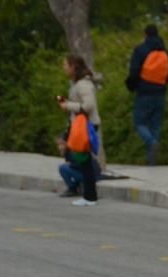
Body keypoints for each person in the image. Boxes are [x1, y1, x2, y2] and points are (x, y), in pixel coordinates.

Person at [125, 24, 168, 165]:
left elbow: (134, 72)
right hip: (160, 93)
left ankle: (151, 142)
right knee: (156, 125)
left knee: (140, 123)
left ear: (145, 34)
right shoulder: (166, 52)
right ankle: (151, 161)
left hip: (144, 93)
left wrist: (131, 86)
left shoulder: (140, 50)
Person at [58, 54, 101, 206]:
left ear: (73, 67)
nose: (63, 68)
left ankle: (90, 197)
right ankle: (89, 196)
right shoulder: (78, 83)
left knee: (85, 162)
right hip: (81, 126)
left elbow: (88, 105)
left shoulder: (83, 84)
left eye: (65, 65)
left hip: (85, 127)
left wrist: (68, 106)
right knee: (84, 162)